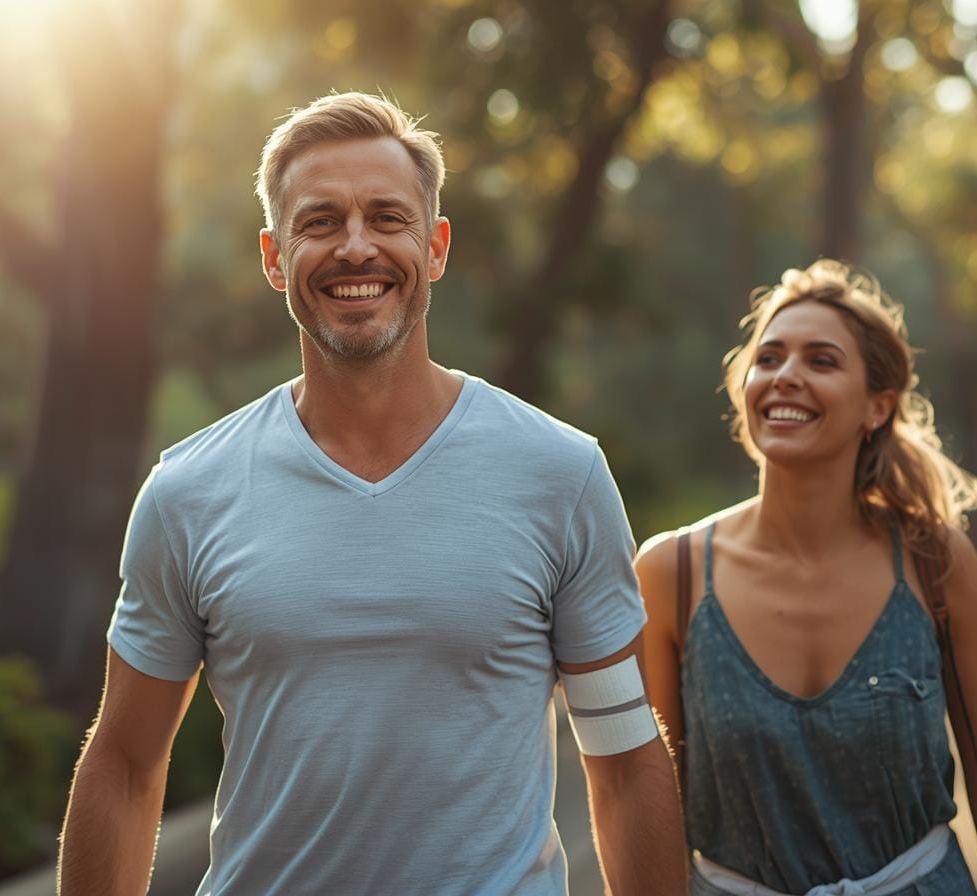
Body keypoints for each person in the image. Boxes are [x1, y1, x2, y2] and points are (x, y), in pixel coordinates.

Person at [57, 92, 686, 896]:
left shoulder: (559, 474)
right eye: (320, 222)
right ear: (274, 256)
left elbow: (626, 760)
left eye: (388, 217)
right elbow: (123, 764)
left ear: (435, 246)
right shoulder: (189, 492)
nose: (357, 247)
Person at [635, 261, 977, 894]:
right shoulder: (670, 574)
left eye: (821, 361)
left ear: (878, 406)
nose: (786, 376)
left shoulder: (936, 563)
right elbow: (649, 813)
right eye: (769, 358)